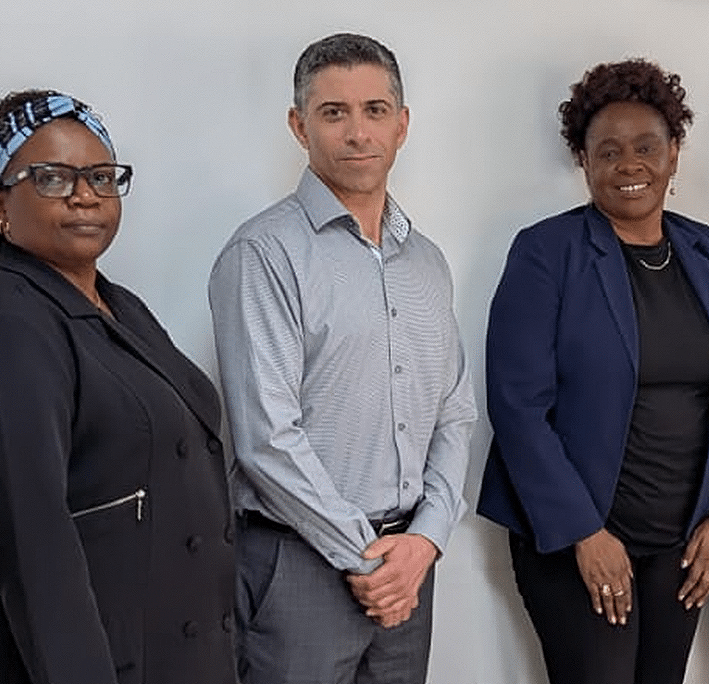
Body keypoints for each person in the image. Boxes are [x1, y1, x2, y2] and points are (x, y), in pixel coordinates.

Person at [477, 58, 709, 684]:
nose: (628, 165)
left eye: (646, 147)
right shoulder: (546, 252)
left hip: (681, 544)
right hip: (577, 536)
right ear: (584, 161)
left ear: (675, 154)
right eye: (607, 151)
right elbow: (517, 405)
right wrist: (585, 532)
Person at [208, 33, 476, 684]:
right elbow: (267, 440)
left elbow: (455, 413)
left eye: (375, 110)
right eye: (334, 113)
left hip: (407, 568)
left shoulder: (428, 263)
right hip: (299, 566)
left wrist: (424, 541)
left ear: (402, 124)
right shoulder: (263, 255)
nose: (359, 132)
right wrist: (368, 559)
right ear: (300, 126)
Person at [0, 90, 236, 684]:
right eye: (52, 178)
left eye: (102, 176)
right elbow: (32, 543)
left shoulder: (120, 306)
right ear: (0, 203)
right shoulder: (10, 334)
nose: (85, 194)